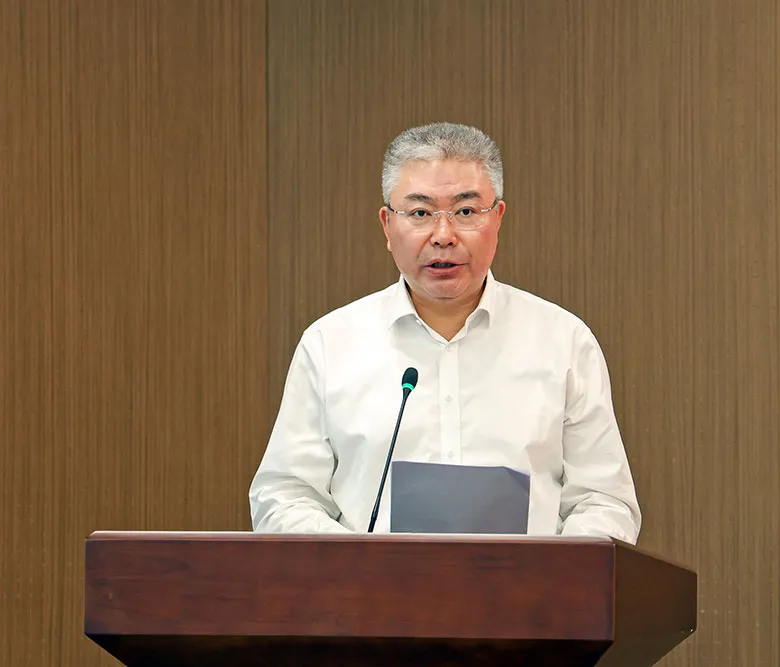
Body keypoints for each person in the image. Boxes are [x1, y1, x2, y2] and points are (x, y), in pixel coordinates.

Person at [249, 122, 641, 542]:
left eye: (466, 212)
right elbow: (284, 497)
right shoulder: (331, 344)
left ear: (498, 219)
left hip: (529, 586)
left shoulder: (563, 342)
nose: (443, 235)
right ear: (387, 225)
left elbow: (603, 502)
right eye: (420, 213)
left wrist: (550, 574)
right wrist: (360, 565)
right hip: (369, 585)